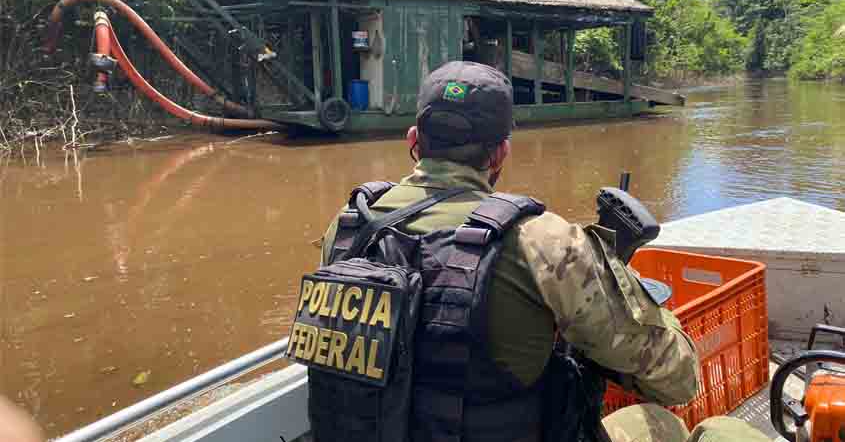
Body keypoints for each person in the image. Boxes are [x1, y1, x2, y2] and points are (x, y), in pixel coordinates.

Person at [315, 60, 770, 441]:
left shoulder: (350, 225)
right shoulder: (543, 241)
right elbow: (678, 379)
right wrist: (631, 294)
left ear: (414, 140)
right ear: (500, 155)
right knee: (680, 425)